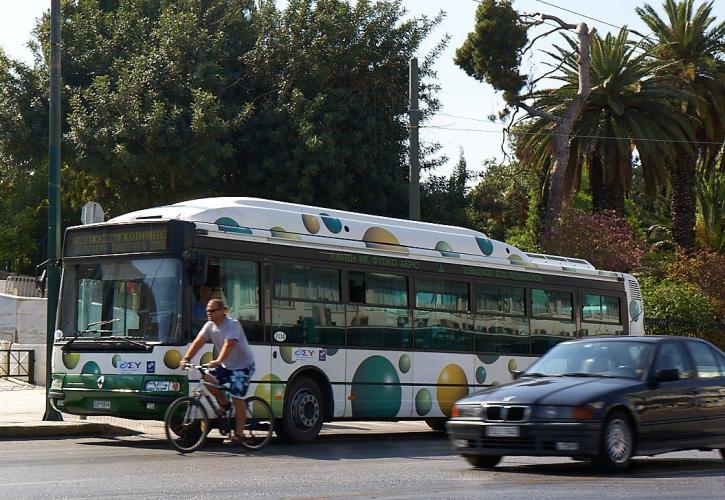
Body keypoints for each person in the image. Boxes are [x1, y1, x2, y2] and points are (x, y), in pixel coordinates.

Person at [181, 298, 255, 445]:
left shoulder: (232, 325)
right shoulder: (209, 326)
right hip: (227, 365)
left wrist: (218, 361)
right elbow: (198, 341)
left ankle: (239, 434)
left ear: (222, 311)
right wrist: (187, 358)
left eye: (213, 310)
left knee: (237, 397)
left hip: (243, 366)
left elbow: (229, 345)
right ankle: (224, 404)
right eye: (207, 310)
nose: (209, 313)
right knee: (207, 378)